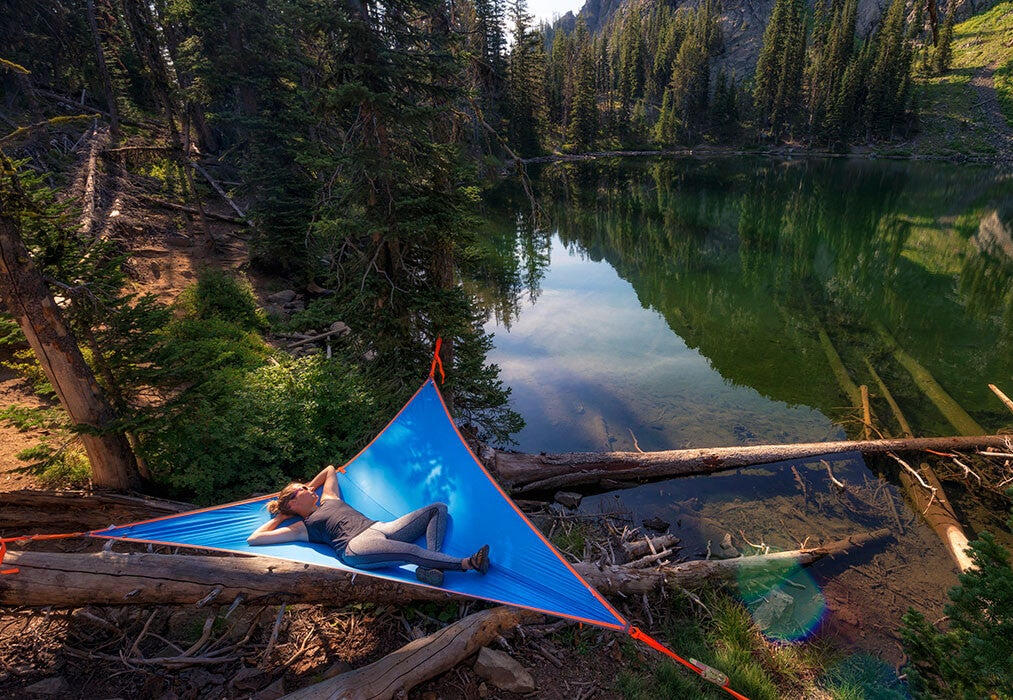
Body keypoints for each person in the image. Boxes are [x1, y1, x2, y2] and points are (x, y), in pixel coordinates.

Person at [247, 465, 489, 586]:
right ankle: (468, 563)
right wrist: (282, 515)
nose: (309, 488)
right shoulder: (302, 527)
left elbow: (330, 469)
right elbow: (255, 539)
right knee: (411, 552)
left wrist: (309, 487)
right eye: (301, 489)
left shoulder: (329, 498)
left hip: (380, 527)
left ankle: (433, 566)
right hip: (356, 546)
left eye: (306, 486)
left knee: (437, 508)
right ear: (292, 502)